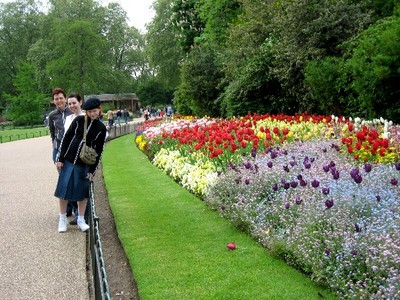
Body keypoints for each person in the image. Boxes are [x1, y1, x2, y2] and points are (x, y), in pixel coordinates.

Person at [54, 98, 107, 233]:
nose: (92, 114)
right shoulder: (79, 121)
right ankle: (62, 219)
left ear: (99, 109)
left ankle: (81, 219)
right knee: (64, 191)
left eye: (94, 111)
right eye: (89, 112)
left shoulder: (101, 128)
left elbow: (99, 150)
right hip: (69, 160)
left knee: (82, 193)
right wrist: (60, 158)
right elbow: (66, 139)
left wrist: (93, 170)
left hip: (84, 164)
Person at [64, 92, 85, 224]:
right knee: (69, 185)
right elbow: (65, 139)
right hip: (69, 156)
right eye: (69, 103)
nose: (72, 105)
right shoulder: (68, 118)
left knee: (80, 185)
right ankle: (76, 213)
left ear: (80, 102)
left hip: (82, 156)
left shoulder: (86, 117)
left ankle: (80, 216)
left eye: (74, 103)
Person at [48, 88, 72, 163]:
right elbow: (52, 133)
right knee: (62, 173)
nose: (59, 101)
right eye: (56, 99)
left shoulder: (72, 111)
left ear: (65, 99)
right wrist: (54, 144)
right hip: (58, 148)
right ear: (54, 101)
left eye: (61, 98)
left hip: (71, 148)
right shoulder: (52, 115)